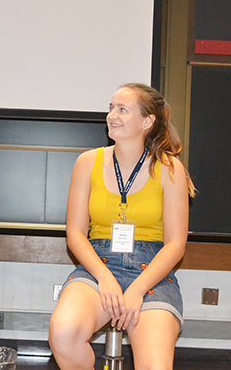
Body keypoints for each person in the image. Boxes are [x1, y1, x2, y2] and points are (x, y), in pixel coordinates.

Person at [49, 83, 195, 370]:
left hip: (150, 273)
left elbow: (176, 244)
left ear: (147, 121)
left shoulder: (169, 168)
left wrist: (137, 290)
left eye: (122, 110)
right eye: (111, 108)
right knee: (63, 333)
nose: (112, 116)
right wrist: (104, 279)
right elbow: (75, 234)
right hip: (98, 265)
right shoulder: (87, 162)